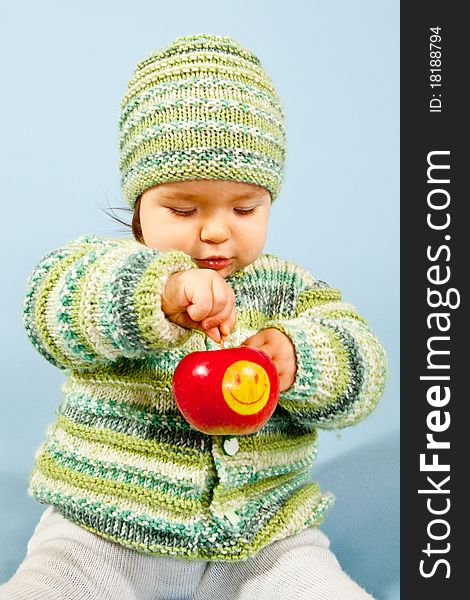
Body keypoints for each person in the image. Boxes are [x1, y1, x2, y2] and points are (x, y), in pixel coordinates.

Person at [0, 33, 387, 600]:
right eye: (183, 209)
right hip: (104, 527)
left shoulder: (291, 290)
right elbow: (50, 309)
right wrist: (160, 294)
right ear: (139, 205)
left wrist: (297, 356)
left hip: (262, 537)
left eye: (245, 207)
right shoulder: (112, 269)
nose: (215, 229)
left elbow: (364, 369)